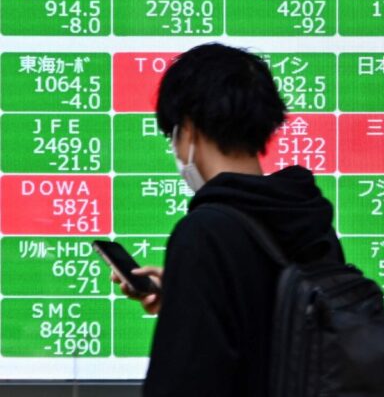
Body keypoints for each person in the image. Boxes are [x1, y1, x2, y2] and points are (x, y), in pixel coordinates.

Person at [114, 43, 342, 397]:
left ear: (188, 130)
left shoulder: (204, 233)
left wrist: (190, 299)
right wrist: (183, 297)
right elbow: (277, 330)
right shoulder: (309, 217)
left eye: (173, 135)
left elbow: (182, 382)